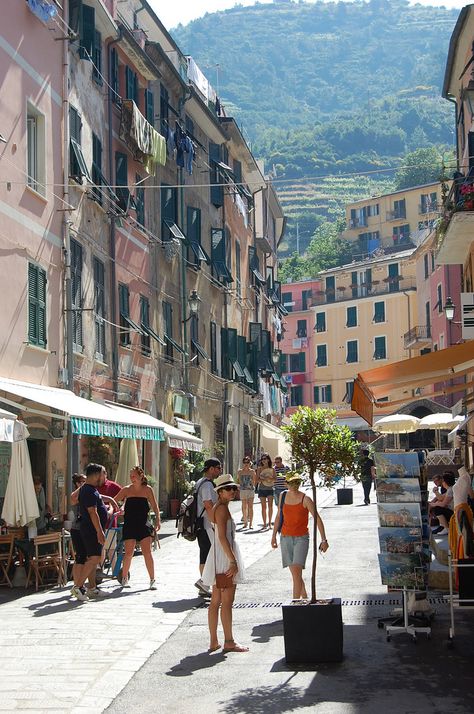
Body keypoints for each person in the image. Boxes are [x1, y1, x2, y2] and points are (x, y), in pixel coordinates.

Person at [202, 474, 248, 653]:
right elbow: (222, 536)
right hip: (223, 555)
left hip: (219, 555)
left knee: (216, 599)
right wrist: (232, 560)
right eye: (229, 489)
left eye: (233, 488)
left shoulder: (219, 507)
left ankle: (214, 640)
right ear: (220, 492)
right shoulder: (221, 509)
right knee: (226, 600)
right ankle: (228, 641)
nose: (233, 491)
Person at [271, 472, 329, 601]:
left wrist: (324, 539)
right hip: (285, 537)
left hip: (301, 538)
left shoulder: (306, 499)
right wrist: (273, 535)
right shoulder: (283, 496)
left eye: (297, 482)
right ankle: (305, 598)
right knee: (296, 575)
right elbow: (279, 516)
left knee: (297, 574)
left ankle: (295, 604)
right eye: (291, 482)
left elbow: (317, 518)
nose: (295, 485)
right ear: (286, 483)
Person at [114, 466, 161, 589]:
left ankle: (152, 579)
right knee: (129, 553)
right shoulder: (126, 490)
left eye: (134, 475)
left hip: (143, 524)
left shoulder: (147, 490)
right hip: (129, 524)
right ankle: (124, 578)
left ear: (141, 476)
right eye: (131, 476)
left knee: (147, 552)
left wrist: (158, 521)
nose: (132, 478)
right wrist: (117, 509)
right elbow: (114, 501)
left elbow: (155, 506)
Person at [71, 463, 109, 601]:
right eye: (103, 473)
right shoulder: (88, 490)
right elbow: (93, 513)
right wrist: (99, 531)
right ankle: (78, 587)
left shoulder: (91, 489)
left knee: (93, 558)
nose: (105, 477)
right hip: (91, 529)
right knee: (94, 558)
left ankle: (92, 588)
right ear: (97, 475)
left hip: (91, 529)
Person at [194, 458, 222, 597]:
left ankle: (204, 585)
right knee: (211, 553)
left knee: (204, 554)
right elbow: (208, 505)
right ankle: (204, 582)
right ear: (211, 469)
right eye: (218, 468)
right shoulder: (207, 486)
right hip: (206, 524)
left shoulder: (200, 482)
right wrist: (215, 522)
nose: (219, 470)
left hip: (201, 524)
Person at [431, 471, 456, 535]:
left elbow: (442, 502)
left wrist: (435, 492)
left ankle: (446, 528)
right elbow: (441, 498)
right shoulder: (450, 489)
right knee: (437, 506)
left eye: (443, 481)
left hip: (454, 512)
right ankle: (442, 526)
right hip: (453, 510)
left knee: (437, 508)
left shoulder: (450, 490)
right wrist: (433, 502)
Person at [256, 453, 276, 529]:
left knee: (270, 506)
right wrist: (264, 479)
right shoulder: (259, 469)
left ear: (268, 459)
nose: (264, 460)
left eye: (265, 459)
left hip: (270, 488)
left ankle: (270, 523)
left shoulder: (272, 469)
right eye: (262, 459)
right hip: (262, 489)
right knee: (263, 507)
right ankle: (264, 524)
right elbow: (257, 480)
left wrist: (270, 479)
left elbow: (275, 479)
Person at [237, 457, 256, 529]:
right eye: (244, 462)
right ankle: (245, 522)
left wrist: (250, 486)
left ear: (249, 463)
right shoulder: (240, 471)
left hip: (250, 490)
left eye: (247, 462)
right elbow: (238, 481)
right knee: (244, 506)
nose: (246, 464)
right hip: (243, 490)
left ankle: (250, 523)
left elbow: (254, 481)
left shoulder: (252, 471)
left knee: (250, 507)